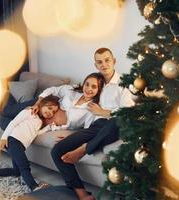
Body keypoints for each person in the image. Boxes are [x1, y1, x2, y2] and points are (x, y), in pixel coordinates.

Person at [50, 48, 135, 200]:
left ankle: (84, 149)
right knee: (57, 150)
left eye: (107, 60)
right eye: (99, 62)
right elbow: (81, 105)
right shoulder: (96, 83)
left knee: (116, 120)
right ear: (95, 65)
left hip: (114, 124)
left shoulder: (124, 83)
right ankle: (81, 194)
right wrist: (75, 135)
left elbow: (127, 112)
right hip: (95, 127)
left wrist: (104, 112)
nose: (104, 64)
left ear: (114, 61)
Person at [0, 95, 60, 191]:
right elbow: (13, 123)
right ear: (41, 104)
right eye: (49, 108)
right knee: (24, 166)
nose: (50, 112)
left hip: (21, 145)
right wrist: (4, 138)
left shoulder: (40, 122)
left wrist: (49, 128)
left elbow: (36, 133)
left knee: (17, 171)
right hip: (13, 141)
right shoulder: (29, 112)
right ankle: (34, 187)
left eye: (53, 112)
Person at [32, 72, 105, 133]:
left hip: (45, 124)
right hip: (40, 110)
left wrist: (71, 137)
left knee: (24, 135)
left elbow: (86, 130)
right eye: (87, 84)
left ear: (99, 90)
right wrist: (37, 103)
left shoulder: (92, 109)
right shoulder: (72, 90)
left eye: (94, 87)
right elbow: (52, 90)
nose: (89, 88)